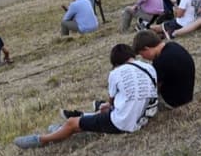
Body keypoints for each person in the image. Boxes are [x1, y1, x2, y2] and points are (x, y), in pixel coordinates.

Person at [14, 44, 158, 149]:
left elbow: (111, 102)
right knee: (88, 122)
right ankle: (61, 130)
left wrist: (106, 106)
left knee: (72, 123)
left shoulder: (116, 73)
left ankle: (42, 140)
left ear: (115, 63)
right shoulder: (148, 67)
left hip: (124, 122)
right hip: (144, 117)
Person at [132, 30, 195, 108]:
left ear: (147, 48)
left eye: (142, 54)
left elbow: (153, 89)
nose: (143, 58)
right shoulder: (174, 46)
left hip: (173, 102)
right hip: (187, 96)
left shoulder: (160, 62)